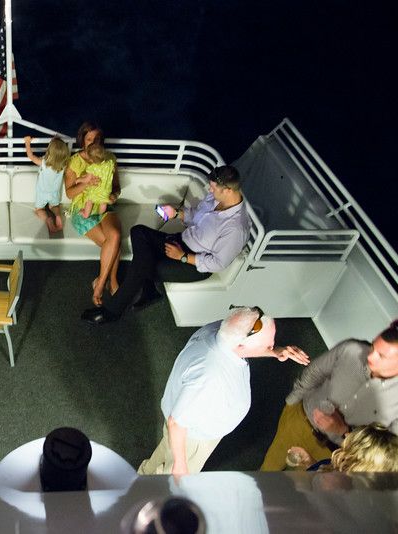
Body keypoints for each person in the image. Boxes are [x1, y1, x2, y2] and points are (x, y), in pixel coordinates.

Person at [137, 306, 310, 475]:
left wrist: (276, 352)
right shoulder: (210, 376)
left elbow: (245, 348)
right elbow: (177, 423)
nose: (272, 346)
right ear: (241, 346)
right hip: (192, 439)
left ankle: (143, 477)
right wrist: (181, 465)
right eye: (268, 346)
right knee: (171, 476)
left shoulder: (222, 331)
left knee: (165, 451)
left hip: (185, 416)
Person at [82, 165, 251, 325]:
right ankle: (149, 290)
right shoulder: (215, 198)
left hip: (193, 264)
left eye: (213, 188)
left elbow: (218, 263)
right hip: (181, 240)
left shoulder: (236, 228)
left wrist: (183, 257)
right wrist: (176, 213)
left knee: (143, 265)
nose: (210, 190)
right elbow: (197, 217)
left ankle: (112, 311)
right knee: (139, 232)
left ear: (228, 190)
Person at [260, 319, 398, 471]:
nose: (370, 356)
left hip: (336, 453)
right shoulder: (351, 350)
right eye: (373, 347)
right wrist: (291, 401)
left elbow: (386, 451)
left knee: (301, 484)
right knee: (269, 467)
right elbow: (315, 371)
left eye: (381, 356)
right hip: (300, 421)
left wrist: (344, 432)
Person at [64, 122, 122, 303]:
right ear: (82, 140)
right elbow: (69, 193)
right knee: (112, 242)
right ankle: (110, 283)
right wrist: (86, 183)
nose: (93, 142)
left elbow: (117, 187)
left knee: (115, 235)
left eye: (97, 138)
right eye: (89, 139)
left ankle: (101, 283)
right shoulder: (75, 162)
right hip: (83, 208)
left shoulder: (109, 159)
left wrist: (113, 196)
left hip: (104, 205)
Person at [23, 135, 69, 232]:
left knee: (39, 209)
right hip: (55, 193)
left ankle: (48, 220)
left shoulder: (44, 163)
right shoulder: (64, 165)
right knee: (54, 206)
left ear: (49, 152)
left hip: (42, 193)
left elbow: (30, 156)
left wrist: (27, 142)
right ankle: (57, 216)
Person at [71, 143, 116, 219]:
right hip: (106, 189)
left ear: (91, 160)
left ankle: (85, 214)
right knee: (103, 202)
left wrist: (78, 179)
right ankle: (100, 214)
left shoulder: (92, 168)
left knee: (89, 201)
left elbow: (86, 179)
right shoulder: (109, 163)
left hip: (95, 190)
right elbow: (112, 170)